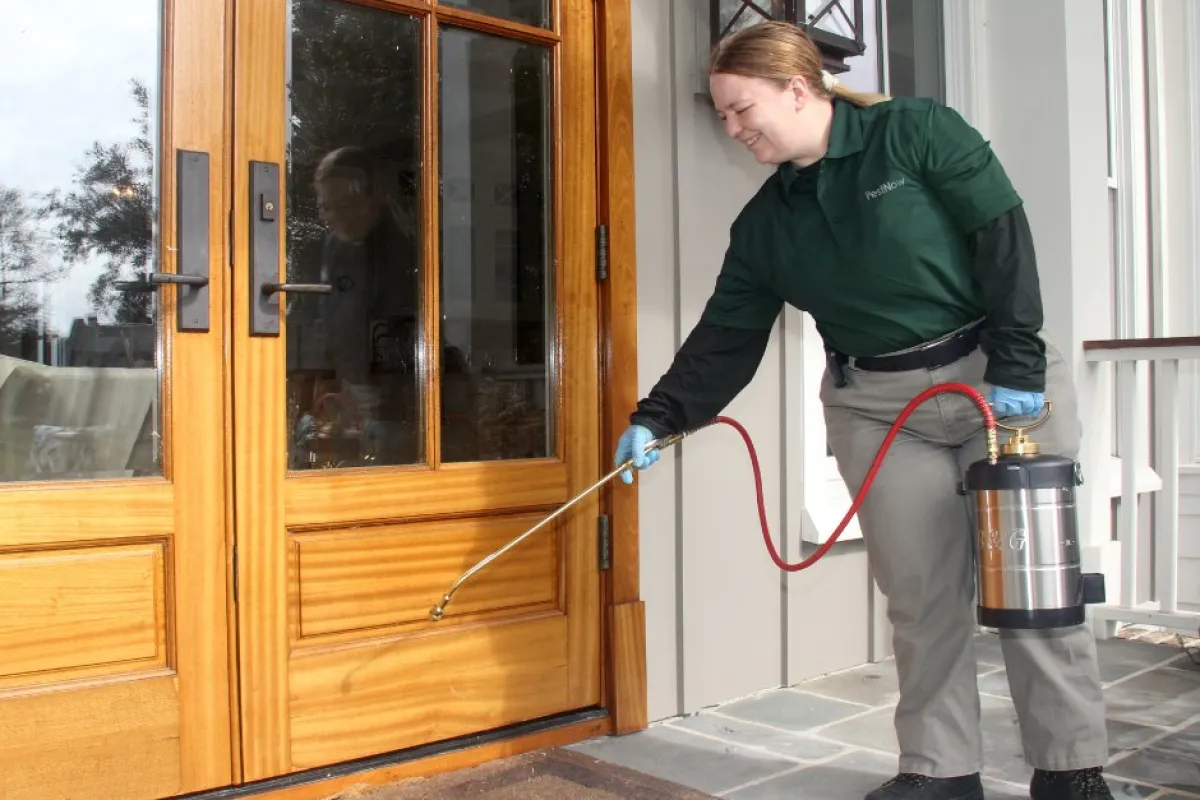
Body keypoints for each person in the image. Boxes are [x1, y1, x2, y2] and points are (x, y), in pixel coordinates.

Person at [614, 21, 1112, 800]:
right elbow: (726, 339)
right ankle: (941, 773)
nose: (734, 128)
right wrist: (659, 415)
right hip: (880, 411)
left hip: (996, 383)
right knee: (920, 597)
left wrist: (1017, 359)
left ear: (797, 87)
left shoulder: (915, 134)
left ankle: (1071, 769)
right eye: (723, 116)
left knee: (1035, 592)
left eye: (742, 109)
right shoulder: (767, 224)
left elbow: (1003, 240)